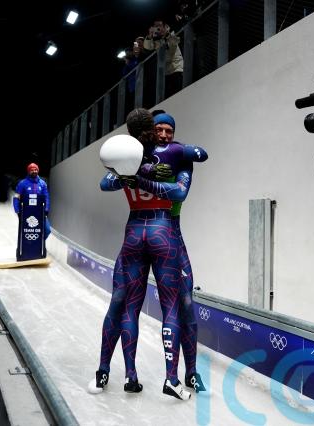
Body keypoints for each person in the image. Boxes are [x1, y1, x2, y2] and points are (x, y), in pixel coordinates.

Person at [89, 108, 192, 400]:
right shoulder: (172, 155)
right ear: (154, 129)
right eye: (160, 129)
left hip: (134, 230)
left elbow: (105, 183)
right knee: (171, 306)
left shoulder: (127, 154)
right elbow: (180, 189)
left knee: (124, 305)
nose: (163, 134)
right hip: (163, 230)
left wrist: (130, 177)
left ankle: (120, 374)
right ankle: (172, 378)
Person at [141, 112, 208, 393]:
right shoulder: (141, 154)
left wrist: (145, 180)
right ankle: (127, 373)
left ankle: (191, 372)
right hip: (143, 232)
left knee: (187, 302)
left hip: (173, 231)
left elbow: (180, 192)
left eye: (169, 130)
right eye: (159, 129)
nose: (164, 135)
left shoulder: (181, 156)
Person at [143, 20, 184, 98]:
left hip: (177, 68)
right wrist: (149, 35)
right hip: (166, 72)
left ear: (165, 26)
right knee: (170, 96)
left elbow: (175, 42)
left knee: (180, 93)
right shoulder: (156, 40)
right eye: (155, 26)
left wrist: (167, 34)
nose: (157, 27)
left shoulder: (171, 33)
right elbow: (147, 47)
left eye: (159, 25)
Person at [13, 163, 50, 239]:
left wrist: (46, 209)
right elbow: (16, 197)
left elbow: (46, 197)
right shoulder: (22, 183)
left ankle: (39, 242)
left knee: (47, 230)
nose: (34, 171)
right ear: (28, 171)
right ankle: (27, 244)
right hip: (26, 212)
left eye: (36, 170)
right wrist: (17, 211)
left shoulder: (42, 184)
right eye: (32, 170)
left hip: (39, 212)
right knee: (27, 231)